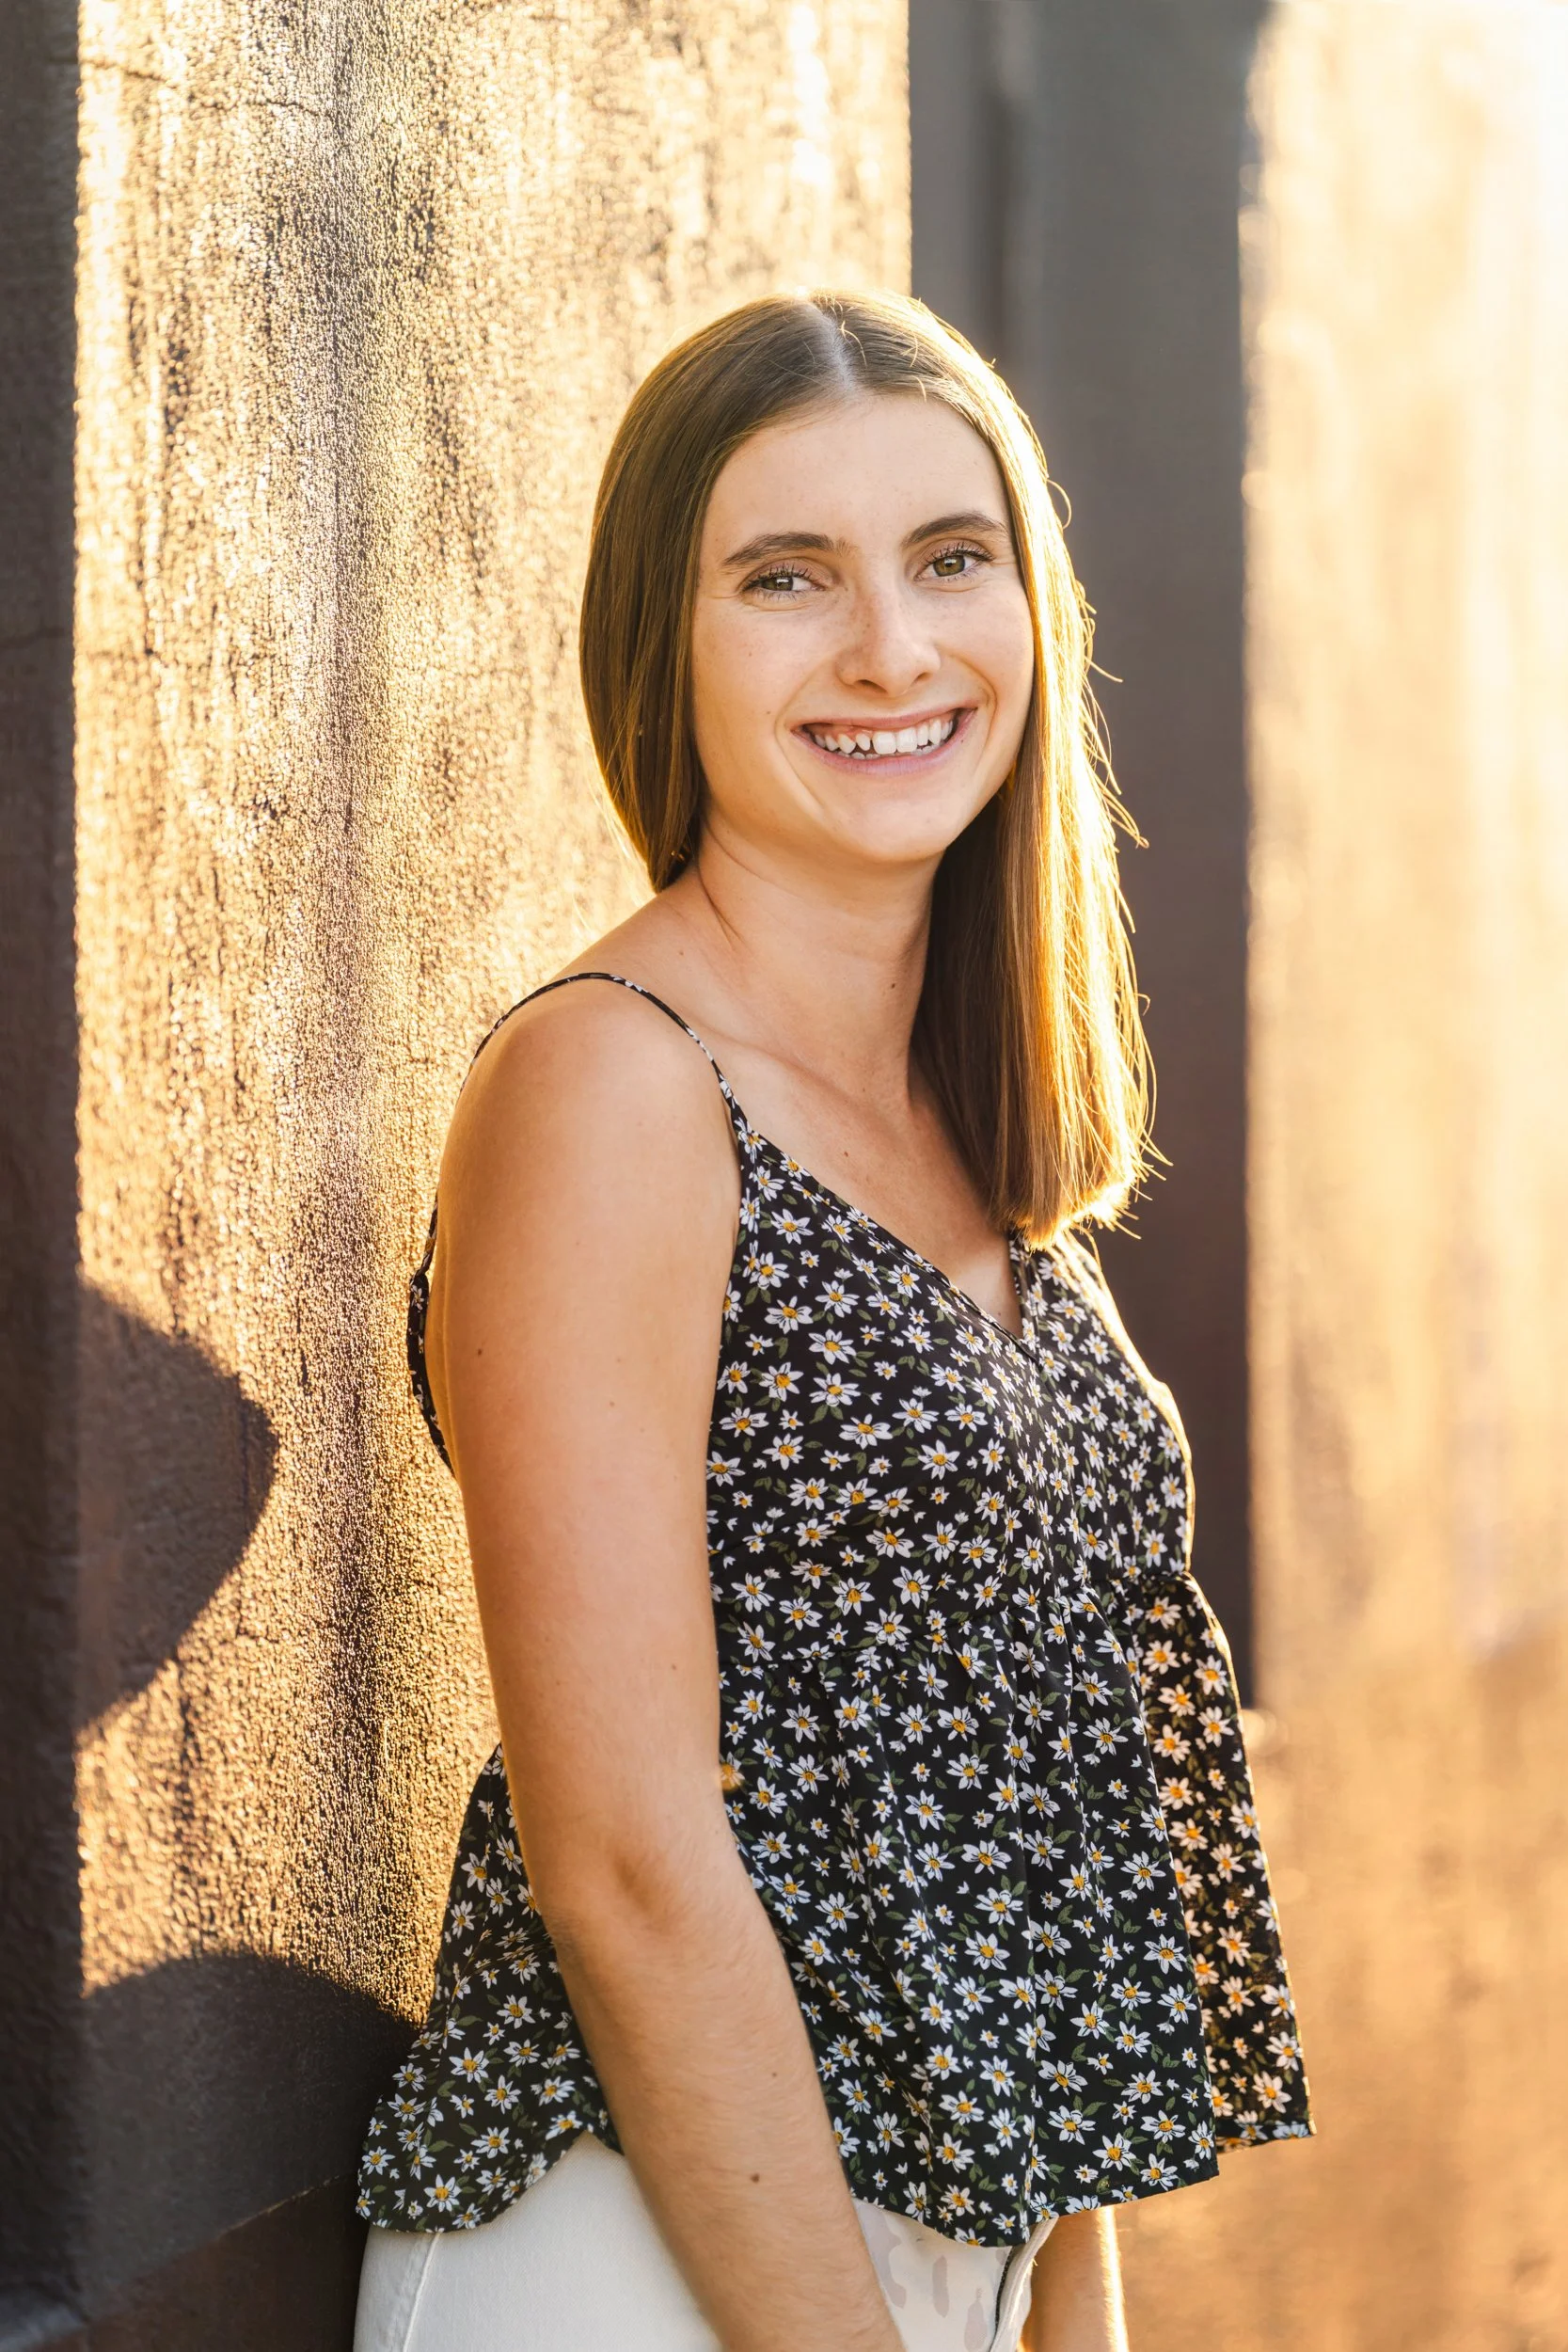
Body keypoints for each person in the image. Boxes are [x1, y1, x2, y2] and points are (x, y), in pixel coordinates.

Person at [352, 292, 1310, 2352]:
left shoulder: (974, 1132)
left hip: (935, 2267)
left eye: (947, 559)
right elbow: (620, 1855)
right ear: (661, 644)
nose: (888, 647)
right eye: (785, 579)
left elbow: (1031, 1846)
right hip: (640, 2256)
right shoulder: (612, 1084)